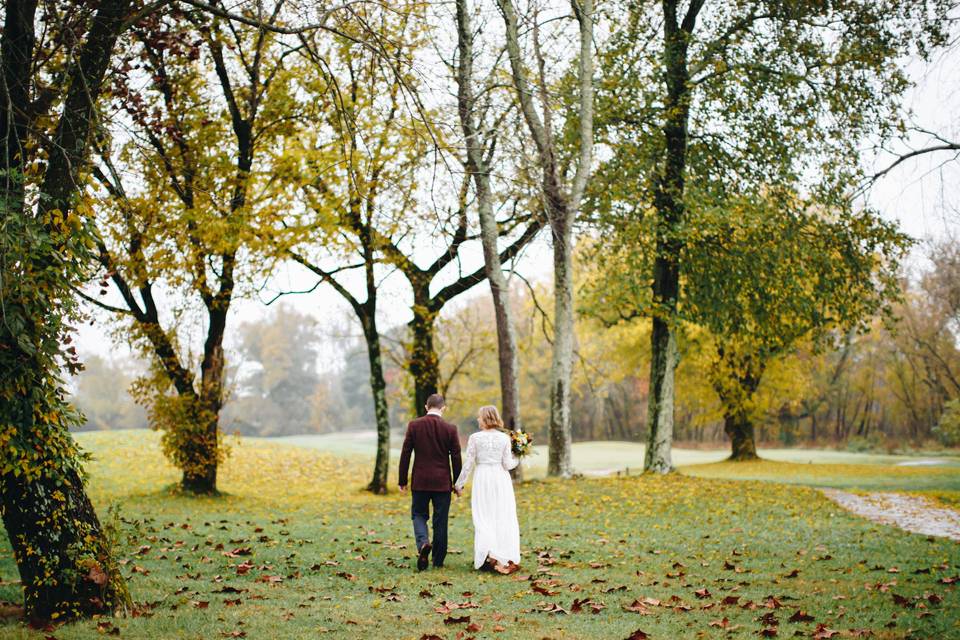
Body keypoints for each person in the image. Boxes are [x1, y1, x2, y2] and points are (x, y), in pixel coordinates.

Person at [398, 393, 462, 571]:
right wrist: (458, 483)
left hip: (420, 481)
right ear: (443, 408)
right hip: (442, 483)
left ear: (426, 407)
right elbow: (456, 458)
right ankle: (438, 560)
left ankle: (423, 543)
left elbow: (406, 453)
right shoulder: (450, 429)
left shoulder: (414, 425)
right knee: (440, 520)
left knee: (418, 515)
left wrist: (402, 479)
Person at [454, 405, 521, 574]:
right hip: (500, 478)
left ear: (485, 419)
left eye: (479, 416)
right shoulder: (504, 438)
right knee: (501, 515)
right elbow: (507, 464)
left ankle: (488, 554)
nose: (477, 419)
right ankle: (497, 554)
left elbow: (468, 464)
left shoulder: (475, 438)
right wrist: (518, 458)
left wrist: (459, 484)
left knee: (483, 515)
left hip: (483, 477)